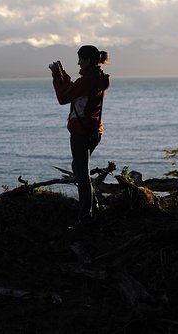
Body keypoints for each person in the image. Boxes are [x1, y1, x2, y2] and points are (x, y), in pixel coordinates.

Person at [50, 45, 110, 224]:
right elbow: (73, 91)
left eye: (80, 59)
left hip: (81, 132)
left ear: (88, 60)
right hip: (94, 130)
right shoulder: (98, 78)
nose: (78, 63)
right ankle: (94, 208)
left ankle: (86, 216)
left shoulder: (87, 81)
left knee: (81, 173)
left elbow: (63, 97)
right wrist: (63, 75)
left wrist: (56, 75)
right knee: (79, 168)